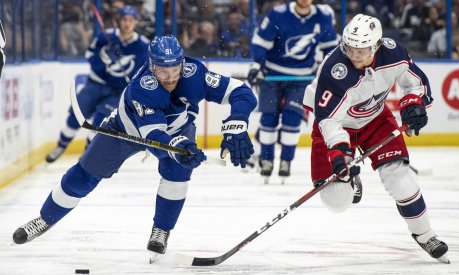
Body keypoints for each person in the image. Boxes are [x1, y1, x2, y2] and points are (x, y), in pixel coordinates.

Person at [12, 35, 256, 263]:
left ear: (182, 64)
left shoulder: (195, 74)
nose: (170, 77)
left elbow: (242, 92)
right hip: (125, 130)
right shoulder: (144, 87)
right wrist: (181, 146)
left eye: (174, 69)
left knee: (178, 175)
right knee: (84, 175)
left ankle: (161, 230)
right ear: (151, 66)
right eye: (162, 70)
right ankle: (44, 219)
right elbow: (154, 136)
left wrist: (236, 123)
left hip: (177, 129)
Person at [302, 14, 449, 263]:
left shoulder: (393, 53)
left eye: (361, 50)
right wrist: (339, 152)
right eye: (349, 48)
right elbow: (329, 120)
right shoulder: (334, 69)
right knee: (336, 201)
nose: (354, 55)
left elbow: (416, 84)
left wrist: (414, 104)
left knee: (400, 179)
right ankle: (351, 179)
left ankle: (425, 234)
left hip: (375, 119)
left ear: (377, 45)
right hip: (335, 125)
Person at [247, 0, 339, 183]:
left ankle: (285, 162)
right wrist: (257, 64)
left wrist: (329, 69)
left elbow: (331, 47)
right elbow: (260, 42)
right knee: (268, 118)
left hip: (302, 78)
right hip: (272, 74)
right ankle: (266, 160)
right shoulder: (278, 14)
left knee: (292, 118)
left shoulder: (323, 15)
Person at [45, 5, 150, 163]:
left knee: (100, 124)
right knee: (76, 116)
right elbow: (90, 55)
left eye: (131, 20)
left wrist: (128, 81)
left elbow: (143, 71)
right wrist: (104, 60)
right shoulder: (105, 37)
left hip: (118, 92)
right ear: (118, 21)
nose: (127, 23)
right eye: (124, 20)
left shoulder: (143, 45)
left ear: (135, 22)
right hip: (95, 85)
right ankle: (61, 146)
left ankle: (86, 155)